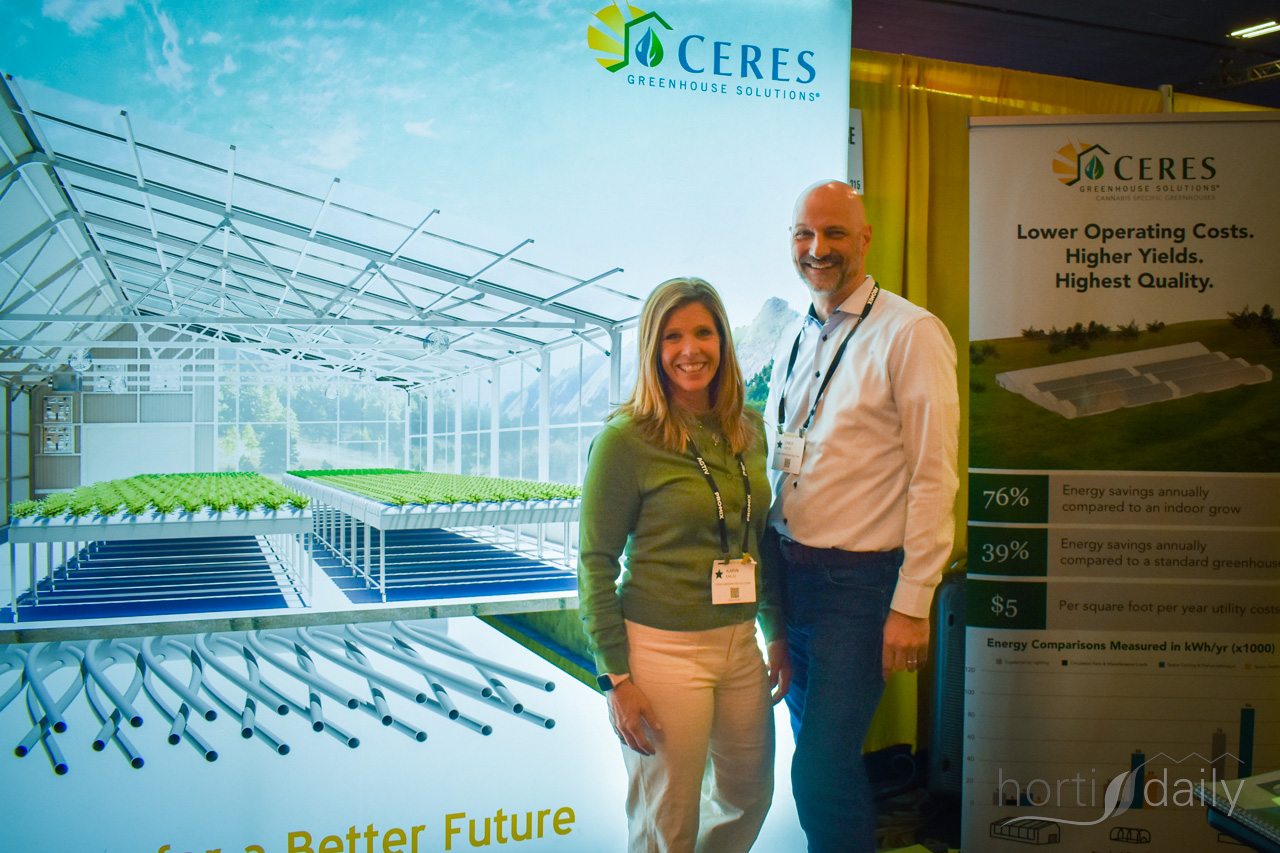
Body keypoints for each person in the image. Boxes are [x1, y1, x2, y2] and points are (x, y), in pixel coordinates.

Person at [764, 181, 960, 853]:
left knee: (820, 772)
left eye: (835, 233)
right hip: (791, 577)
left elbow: (935, 476)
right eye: (804, 233)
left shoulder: (910, 333)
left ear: (865, 239)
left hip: (857, 588)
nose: (817, 248)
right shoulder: (796, 333)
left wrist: (912, 603)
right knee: (822, 760)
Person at [578, 276, 791, 853]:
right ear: (653, 347)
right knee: (667, 821)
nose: (689, 349)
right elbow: (594, 565)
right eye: (672, 336)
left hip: (740, 645)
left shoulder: (748, 429)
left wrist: (775, 632)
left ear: (723, 340)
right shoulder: (625, 440)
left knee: (748, 796)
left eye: (703, 332)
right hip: (661, 651)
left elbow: (757, 539)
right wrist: (616, 679)